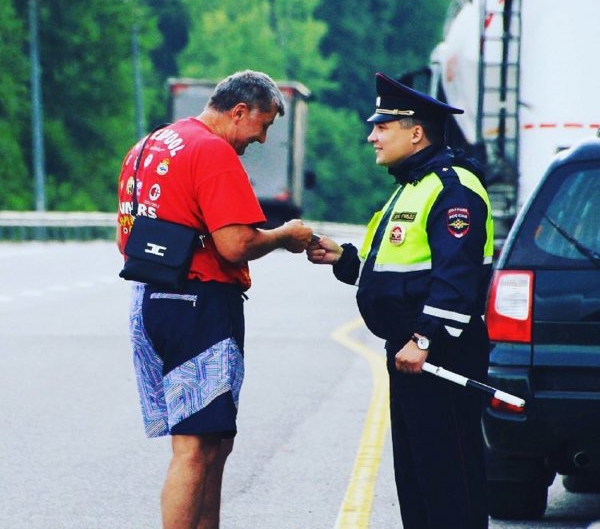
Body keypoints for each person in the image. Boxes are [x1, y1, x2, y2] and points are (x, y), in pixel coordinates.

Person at [116, 70, 313, 529]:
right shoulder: (213, 151)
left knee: (213, 441)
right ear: (239, 111)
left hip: (151, 298)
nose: (262, 139)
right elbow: (235, 244)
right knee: (193, 447)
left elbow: (127, 233)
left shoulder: (150, 144)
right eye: (262, 125)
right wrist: (285, 235)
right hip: (198, 302)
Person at [307, 73, 494, 528]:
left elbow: (456, 279)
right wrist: (343, 258)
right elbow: (397, 270)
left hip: (439, 354)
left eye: (382, 126)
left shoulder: (453, 190)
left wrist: (425, 339)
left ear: (415, 132)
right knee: (417, 479)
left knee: (450, 481)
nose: (372, 135)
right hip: (411, 352)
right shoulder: (412, 185)